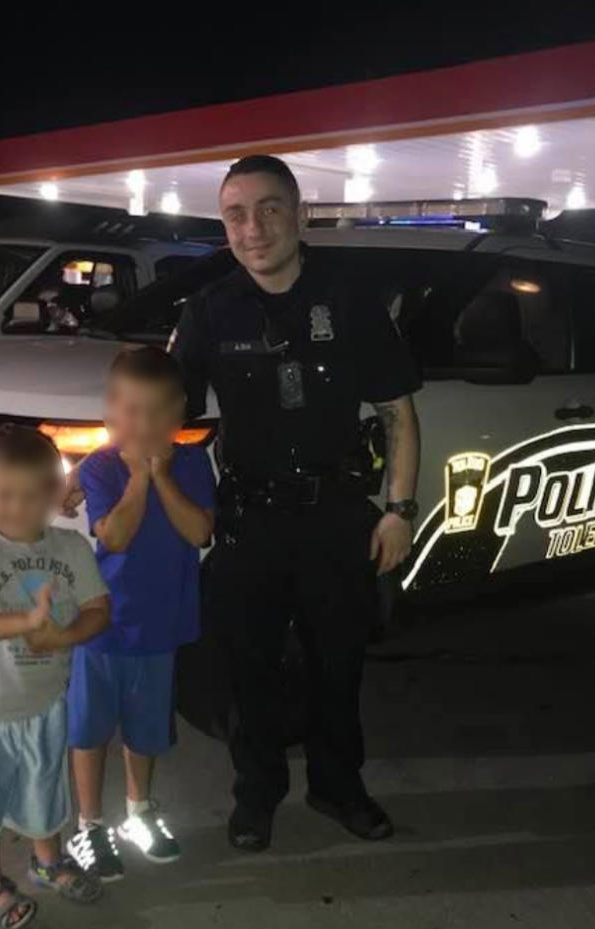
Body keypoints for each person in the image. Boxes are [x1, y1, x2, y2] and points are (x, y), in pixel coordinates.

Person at [169, 154, 421, 851]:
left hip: (338, 517)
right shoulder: (209, 310)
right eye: (236, 214)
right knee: (247, 671)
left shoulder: (347, 298)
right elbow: (169, 415)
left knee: (337, 664)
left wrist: (400, 508)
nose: (254, 228)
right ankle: (258, 796)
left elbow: (397, 411)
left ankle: (340, 788)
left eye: (270, 208)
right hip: (249, 521)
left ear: (301, 213)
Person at [0, 423, 110, 929]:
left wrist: (62, 635)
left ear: (56, 493)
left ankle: (46, 860)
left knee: (44, 789)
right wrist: (25, 623)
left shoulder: (69, 548)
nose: (19, 507)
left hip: (43, 699)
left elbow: (98, 609)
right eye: (5, 495)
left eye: (35, 495)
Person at [64, 347, 215, 882]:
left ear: (179, 415)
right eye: (130, 410)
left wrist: (162, 476)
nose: (143, 424)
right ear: (110, 416)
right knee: (88, 730)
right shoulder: (104, 469)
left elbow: (199, 532)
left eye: (156, 412)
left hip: (159, 626)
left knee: (145, 730)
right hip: (101, 624)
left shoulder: (193, 463)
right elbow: (117, 535)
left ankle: (139, 810)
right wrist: (138, 479)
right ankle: (88, 824)